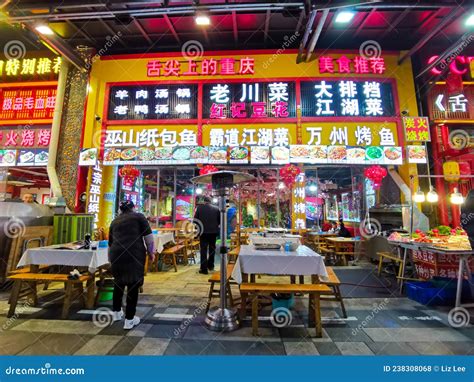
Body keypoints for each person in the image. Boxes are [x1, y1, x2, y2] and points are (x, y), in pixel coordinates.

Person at [108, 200, 154, 330]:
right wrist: (151, 253)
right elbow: (149, 237)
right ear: (133, 208)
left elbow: (110, 243)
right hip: (134, 254)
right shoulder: (139, 217)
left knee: (119, 282)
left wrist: (111, 260)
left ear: (121, 210)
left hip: (116, 255)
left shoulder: (114, 221)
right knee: (133, 284)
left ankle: (116, 313)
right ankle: (129, 319)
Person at [194, 196, 220, 275]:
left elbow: (195, 220)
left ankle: (204, 269)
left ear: (204, 201)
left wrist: (197, 229)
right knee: (212, 249)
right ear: (210, 201)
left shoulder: (199, 208)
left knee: (203, 250)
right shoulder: (216, 208)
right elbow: (219, 221)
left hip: (203, 232)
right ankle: (211, 266)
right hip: (213, 232)